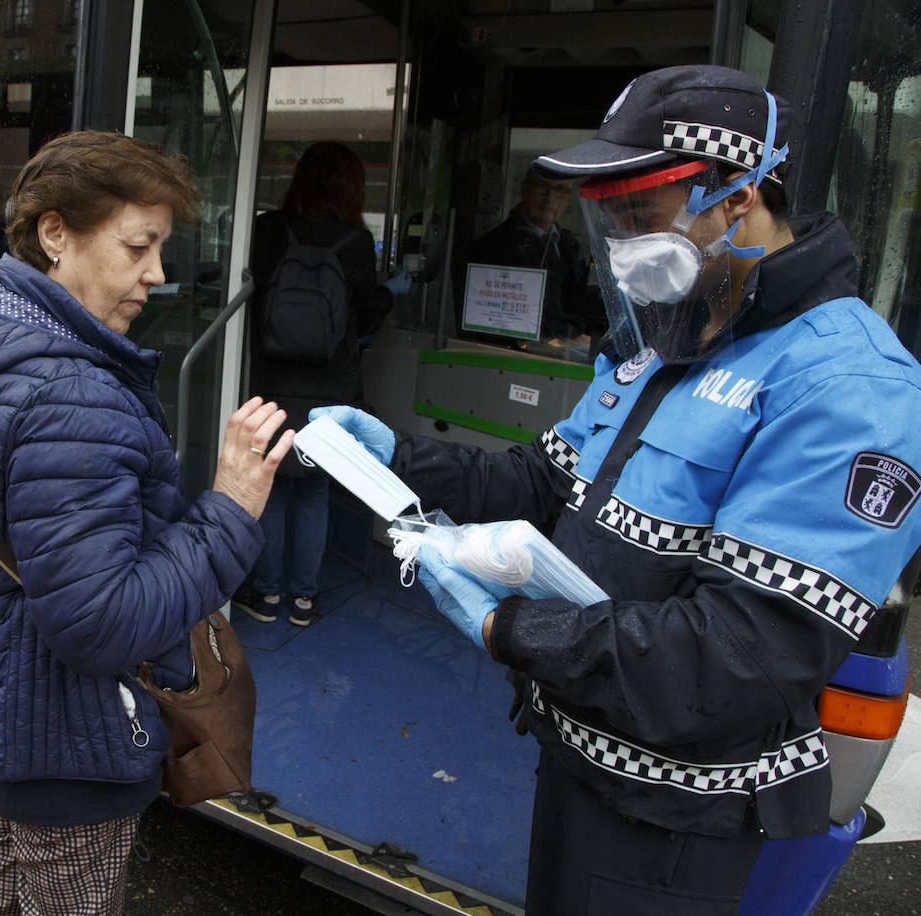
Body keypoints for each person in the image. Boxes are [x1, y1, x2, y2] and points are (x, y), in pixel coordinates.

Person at [316, 64, 921, 912]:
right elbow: (544, 479)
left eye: (643, 214)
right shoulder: (677, 334)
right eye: (613, 218)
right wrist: (395, 456)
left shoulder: (847, 384)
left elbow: (741, 655)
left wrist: (513, 629)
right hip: (575, 755)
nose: (626, 244)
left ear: (738, 196)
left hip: (677, 818)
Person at [0, 130, 292, 915]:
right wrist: (231, 511)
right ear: (54, 233)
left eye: (161, 248)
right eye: (138, 246)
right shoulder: (69, 393)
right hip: (58, 740)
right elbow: (100, 622)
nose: (158, 274)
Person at [235, 141, 396, 626]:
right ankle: (304, 601)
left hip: (270, 383)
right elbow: (366, 318)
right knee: (313, 492)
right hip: (331, 390)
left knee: (273, 488)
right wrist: (390, 293)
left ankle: (265, 597)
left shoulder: (268, 230)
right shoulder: (355, 243)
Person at [464, 166, 593, 343]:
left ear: (569, 198)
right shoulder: (494, 246)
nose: (550, 198)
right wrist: (567, 338)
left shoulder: (569, 246)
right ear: (524, 190)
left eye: (560, 190)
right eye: (541, 187)